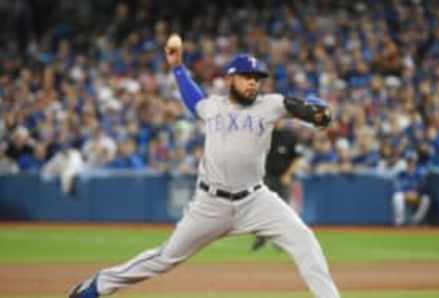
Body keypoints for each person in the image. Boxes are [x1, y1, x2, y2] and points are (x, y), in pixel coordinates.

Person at [68, 34, 340, 298]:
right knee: (164, 258)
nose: (253, 83)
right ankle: (98, 286)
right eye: (247, 77)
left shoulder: (271, 105)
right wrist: (177, 68)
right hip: (212, 203)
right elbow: (192, 97)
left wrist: (317, 115)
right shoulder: (212, 107)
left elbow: (301, 107)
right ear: (231, 77)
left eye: (257, 79)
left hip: (256, 199)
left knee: (305, 241)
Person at [251, 119, 304, 251]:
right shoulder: (264, 135)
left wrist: (288, 174)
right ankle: (261, 238)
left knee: (283, 210)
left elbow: (297, 158)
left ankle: (281, 241)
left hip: (282, 178)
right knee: (263, 209)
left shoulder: (290, 136)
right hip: (266, 178)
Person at [392, 152, 431, 226]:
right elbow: (397, 187)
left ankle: (415, 221)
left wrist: (417, 193)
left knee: (426, 199)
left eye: (412, 161)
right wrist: (406, 193)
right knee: (397, 197)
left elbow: (424, 187)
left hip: (416, 195)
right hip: (405, 195)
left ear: (415, 162)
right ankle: (400, 222)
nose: (410, 163)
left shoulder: (420, 174)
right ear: (406, 162)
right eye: (408, 161)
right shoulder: (401, 174)